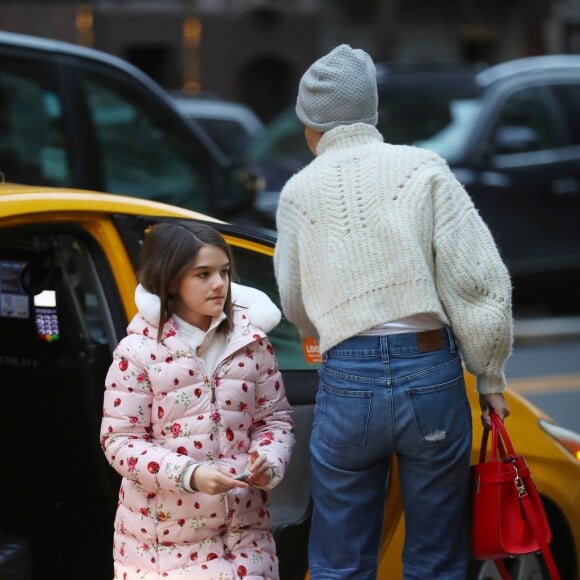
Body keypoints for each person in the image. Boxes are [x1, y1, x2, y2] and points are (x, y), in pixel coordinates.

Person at [273, 44, 513, 580]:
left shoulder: (297, 194)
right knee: (435, 557)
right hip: (430, 376)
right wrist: (490, 376)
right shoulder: (422, 170)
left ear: (311, 123)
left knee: (339, 560)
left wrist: (326, 331)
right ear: (372, 112)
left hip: (348, 380)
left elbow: (294, 302)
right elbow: (476, 281)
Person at [100, 221, 295, 580]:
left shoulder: (251, 342)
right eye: (203, 274)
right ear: (172, 280)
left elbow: (275, 421)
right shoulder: (138, 351)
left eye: (223, 272)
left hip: (245, 543)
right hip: (162, 550)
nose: (219, 284)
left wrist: (269, 461)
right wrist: (189, 474)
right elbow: (119, 441)